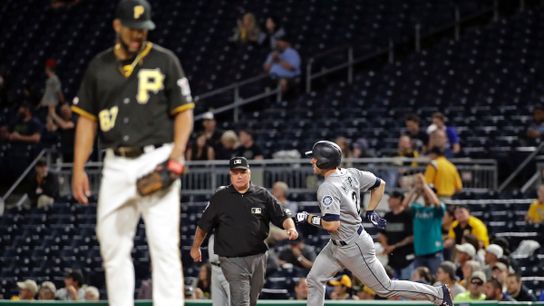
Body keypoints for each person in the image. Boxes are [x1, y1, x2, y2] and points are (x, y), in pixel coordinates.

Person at [70, 0, 194, 305]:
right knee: (112, 246)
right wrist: (78, 168)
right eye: (133, 28)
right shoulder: (99, 66)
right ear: (117, 26)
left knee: (164, 245)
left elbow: (185, 113)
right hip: (115, 163)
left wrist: (176, 154)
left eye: (144, 29)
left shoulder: (165, 60)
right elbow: (86, 120)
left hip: (157, 157)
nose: (139, 34)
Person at [296, 140, 453, 306]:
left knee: (386, 288)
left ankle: (437, 294)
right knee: (315, 279)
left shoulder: (328, 187)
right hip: (338, 244)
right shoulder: (350, 173)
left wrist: (307, 217)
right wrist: (370, 210)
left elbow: (331, 225)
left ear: (323, 161)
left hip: (353, 246)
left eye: (315, 158)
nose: (312, 160)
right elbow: (380, 184)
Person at [190, 156, 298, 306]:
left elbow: (282, 216)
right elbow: (203, 225)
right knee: (241, 301)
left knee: (251, 300)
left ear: (249, 173)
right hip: (231, 258)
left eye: (242, 171)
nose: (239, 176)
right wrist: (196, 247)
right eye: (235, 172)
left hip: (258, 258)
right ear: (230, 174)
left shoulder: (262, 195)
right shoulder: (220, 197)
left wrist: (291, 228)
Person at [404, 173, 445, 274]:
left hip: (434, 251)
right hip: (419, 252)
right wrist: (415, 188)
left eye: (429, 193)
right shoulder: (417, 208)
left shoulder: (438, 209)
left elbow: (436, 203)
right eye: (424, 193)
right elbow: (405, 205)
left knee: (437, 280)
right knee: (419, 283)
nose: (426, 195)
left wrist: (425, 185)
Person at [377, 191, 414, 280]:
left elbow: (412, 237)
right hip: (392, 259)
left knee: (406, 284)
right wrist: (385, 246)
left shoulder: (408, 215)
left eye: (391, 198)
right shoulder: (387, 216)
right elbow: (381, 234)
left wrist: (394, 246)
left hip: (407, 259)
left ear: (398, 200)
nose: (388, 200)